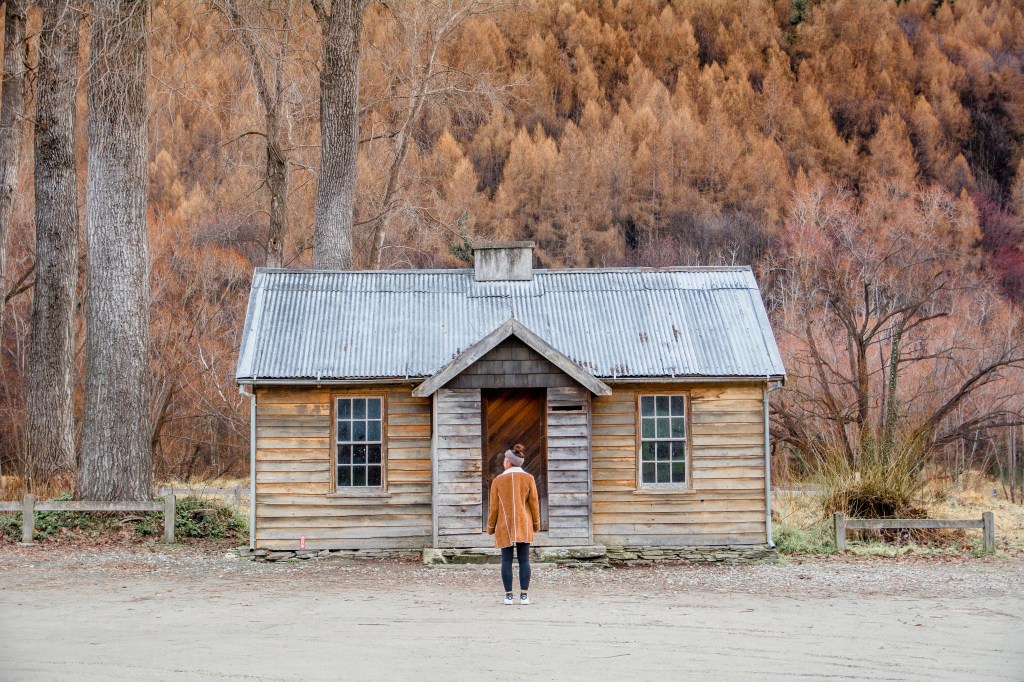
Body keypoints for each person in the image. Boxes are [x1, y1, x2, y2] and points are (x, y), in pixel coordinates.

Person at [486, 443, 541, 605]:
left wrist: (491, 527)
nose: (504, 461)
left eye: (505, 459)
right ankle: (524, 596)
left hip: (505, 525)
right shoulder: (529, 478)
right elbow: (534, 503)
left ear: (509, 462)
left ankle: (508, 596)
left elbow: (494, 507)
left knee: (506, 560)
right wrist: (536, 524)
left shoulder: (498, 481)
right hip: (524, 523)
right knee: (524, 560)